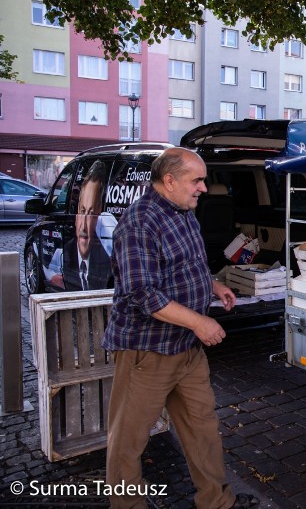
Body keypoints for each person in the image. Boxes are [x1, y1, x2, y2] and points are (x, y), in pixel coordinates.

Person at [101, 147, 257, 509]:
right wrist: (201, 321)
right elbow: (142, 293)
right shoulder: (140, 222)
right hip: (147, 352)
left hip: (186, 348)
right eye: (197, 180)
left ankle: (216, 502)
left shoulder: (183, 211)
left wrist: (212, 286)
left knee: (202, 428)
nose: (204, 187)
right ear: (168, 180)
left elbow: (187, 265)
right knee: (128, 442)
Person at [62, 160, 112, 291]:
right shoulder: (65, 252)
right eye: (82, 211)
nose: (83, 227)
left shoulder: (107, 260)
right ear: (77, 210)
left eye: (91, 213)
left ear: (99, 215)